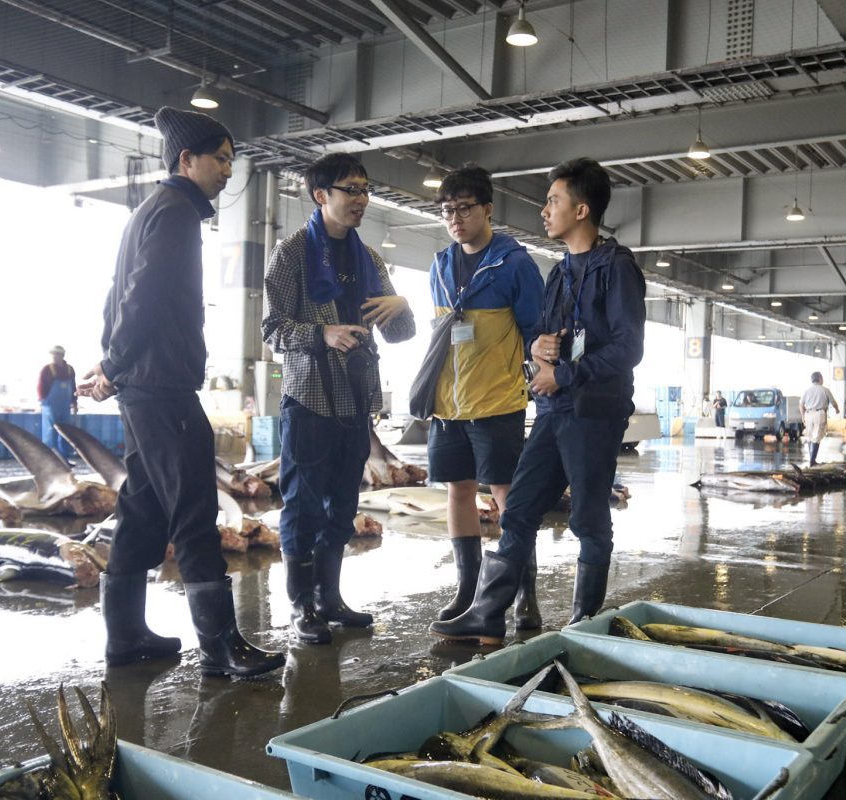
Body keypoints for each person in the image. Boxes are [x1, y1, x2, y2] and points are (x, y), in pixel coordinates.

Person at [80, 107, 284, 678]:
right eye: (219, 159)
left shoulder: (151, 212)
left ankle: (125, 636)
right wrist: (116, 363)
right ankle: (221, 647)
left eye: (230, 159)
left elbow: (116, 298)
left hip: (145, 385)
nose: (227, 170)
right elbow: (141, 298)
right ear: (185, 160)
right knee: (195, 505)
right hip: (163, 387)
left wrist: (110, 364)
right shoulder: (174, 214)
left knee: (143, 508)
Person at [430, 157, 646, 645]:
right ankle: (487, 612)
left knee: (590, 518)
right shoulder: (559, 273)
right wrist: (539, 350)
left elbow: (628, 348)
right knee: (520, 508)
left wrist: (564, 372)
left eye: (553, 201)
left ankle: (582, 624)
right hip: (554, 409)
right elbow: (545, 336)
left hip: (594, 412)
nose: (544, 210)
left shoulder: (618, 269)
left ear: (583, 209)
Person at [263, 153, 415, 646]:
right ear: (321, 195)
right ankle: (301, 605)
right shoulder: (291, 255)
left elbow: (400, 334)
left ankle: (330, 598)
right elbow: (271, 331)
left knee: (343, 504)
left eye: (365, 190)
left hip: (355, 399)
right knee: (302, 506)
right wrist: (321, 333)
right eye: (351, 190)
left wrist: (402, 307)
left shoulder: (369, 260)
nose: (361, 200)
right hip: (309, 399)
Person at [425, 165, 544, 630]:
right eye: (447, 211)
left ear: (487, 209)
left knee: (507, 496)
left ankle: (524, 594)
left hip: (497, 401)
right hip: (447, 404)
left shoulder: (514, 263)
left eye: (464, 208)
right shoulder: (440, 264)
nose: (455, 218)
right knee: (457, 491)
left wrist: (541, 379)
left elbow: (536, 331)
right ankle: (469, 591)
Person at [37, 346, 76, 460]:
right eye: (53, 354)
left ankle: (64, 459)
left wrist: (74, 402)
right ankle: (50, 459)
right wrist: (43, 401)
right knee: (50, 432)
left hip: (65, 406)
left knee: (65, 432)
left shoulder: (69, 370)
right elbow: (40, 387)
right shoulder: (46, 369)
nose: (54, 356)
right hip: (50, 405)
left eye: (56, 354)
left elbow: (73, 386)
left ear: (62, 356)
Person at [801, 372, 839, 467]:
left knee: (810, 437)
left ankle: (812, 460)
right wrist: (837, 409)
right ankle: (812, 461)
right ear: (820, 379)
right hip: (819, 414)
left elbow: (801, 404)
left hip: (808, 414)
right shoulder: (825, 390)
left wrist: (803, 416)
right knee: (817, 437)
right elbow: (833, 402)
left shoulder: (807, 390)